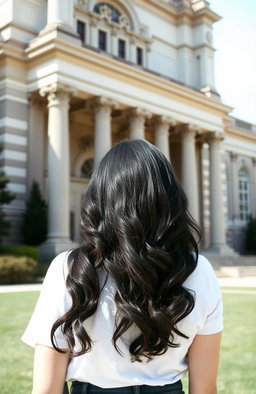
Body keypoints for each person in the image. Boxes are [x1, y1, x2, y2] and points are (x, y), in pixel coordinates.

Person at [22, 140, 223, 394]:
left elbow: (46, 389)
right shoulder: (198, 270)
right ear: (169, 197)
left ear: (100, 198)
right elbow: (204, 388)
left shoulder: (71, 268)